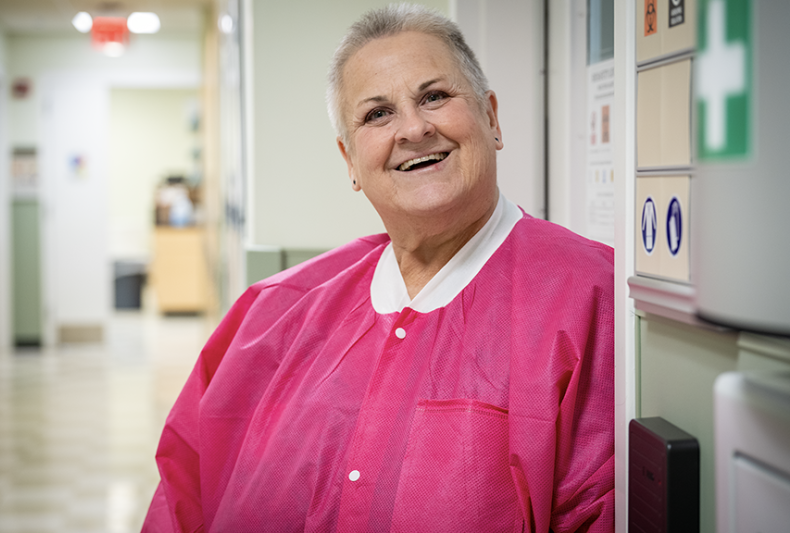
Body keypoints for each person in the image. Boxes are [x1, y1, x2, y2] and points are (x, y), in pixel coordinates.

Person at [142, 4, 614, 532]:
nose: (413, 128)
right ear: (350, 161)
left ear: (492, 118)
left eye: (434, 97)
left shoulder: (591, 297)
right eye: (377, 114)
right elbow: (183, 498)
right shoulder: (273, 313)